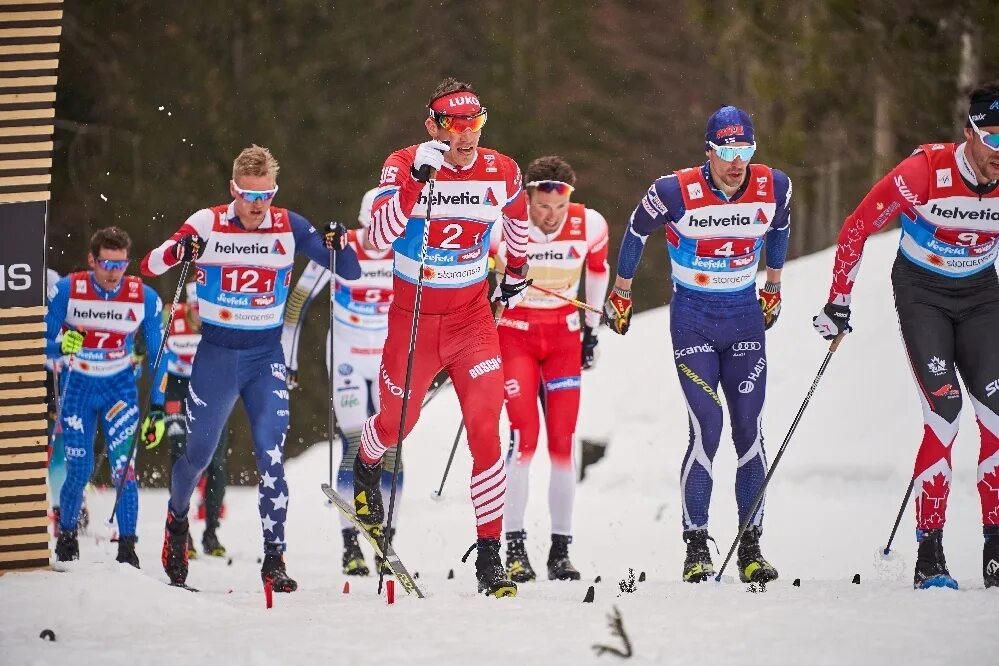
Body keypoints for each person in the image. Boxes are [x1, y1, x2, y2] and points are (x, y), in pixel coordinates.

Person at [142, 144, 359, 592]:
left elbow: (350, 271)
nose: (258, 206)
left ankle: (274, 557)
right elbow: (150, 264)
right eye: (249, 196)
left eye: (266, 196)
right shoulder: (208, 222)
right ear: (233, 190)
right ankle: (177, 523)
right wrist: (182, 248)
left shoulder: (289, 225)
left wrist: (339, 241)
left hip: (265, 358)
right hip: (217, 356)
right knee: (198, 456)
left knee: (271, 454)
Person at [812, 83, 999, 590]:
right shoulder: (924, 174)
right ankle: (930, 553)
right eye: (994, 141)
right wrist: (839, 299)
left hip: (982, 295)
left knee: (996, 417)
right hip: (923, 294)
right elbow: (856, 227)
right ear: (970, 135)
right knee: (945, 412)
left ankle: (995, 549)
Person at [352, 77, 530, 597]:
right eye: (456, 125)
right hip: (413, 318)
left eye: (476, 123)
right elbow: (379, 236)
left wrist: (514, 272)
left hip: (471, 318)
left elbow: (516, 219)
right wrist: (415, 181)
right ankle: (365, 466)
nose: (467, 136)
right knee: (398, 421)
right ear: (433, 125)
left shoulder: (501, 169)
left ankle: (490, 555)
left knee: (485, 431)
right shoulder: (402, 161)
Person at [604, 106, 791, 584]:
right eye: (726, 151)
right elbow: (635, 230)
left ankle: (751, 545)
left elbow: (781, 228)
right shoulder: (674, 190)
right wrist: (621, 292)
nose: (736, 162)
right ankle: (696, 546)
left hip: (744, 319)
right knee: (708, 424)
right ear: (708, 151)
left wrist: (773, 284)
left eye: (744, 150)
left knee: (748, 428)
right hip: (693, 320)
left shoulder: (775, 186)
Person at [490, 155, 609, 582]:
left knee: (562, 441)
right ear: (528, 197)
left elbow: (598, 273)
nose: (550, 217)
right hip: (516, 336)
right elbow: (473, 264)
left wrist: (591, 333)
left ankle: (560, 550)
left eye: (559, 208)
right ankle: (515, 547)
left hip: (563, 338)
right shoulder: (505, 226)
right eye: (542, 208)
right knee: (524, 439)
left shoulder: (589, 224)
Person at [280, 187, 403, 577]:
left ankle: (386, 542)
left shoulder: (407, 249)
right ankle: (351, 544)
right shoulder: (342, 246)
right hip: (348, 356)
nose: (382, 235)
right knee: (354, 443)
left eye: (391, 226)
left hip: (388, 359)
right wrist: (289, 360)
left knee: (393, 449)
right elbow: (298, 300)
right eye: (375, 226)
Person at [45, 227, 164, 568]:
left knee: (124, 470)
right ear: (91, 260)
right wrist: (59, 345)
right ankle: (67, 536)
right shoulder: (68, 289)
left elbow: (158, 354)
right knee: (80, 469)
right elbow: (38, 337)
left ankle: (127, 545)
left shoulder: (144, 296)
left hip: (119, 390)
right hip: (78, 387)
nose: (113, 273)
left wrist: (157, 406)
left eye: (121, 264)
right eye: (106, 264)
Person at [146, 282, 230, 558]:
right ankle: (182, 533)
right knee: (180, 454)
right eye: (196, 309)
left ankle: (211, 533)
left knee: (216, 463)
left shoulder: (221, 319)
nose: (200, 315)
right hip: (177, 390)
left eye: (204, 309)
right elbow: (154, 350)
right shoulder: (172, 318)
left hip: (210, 391)